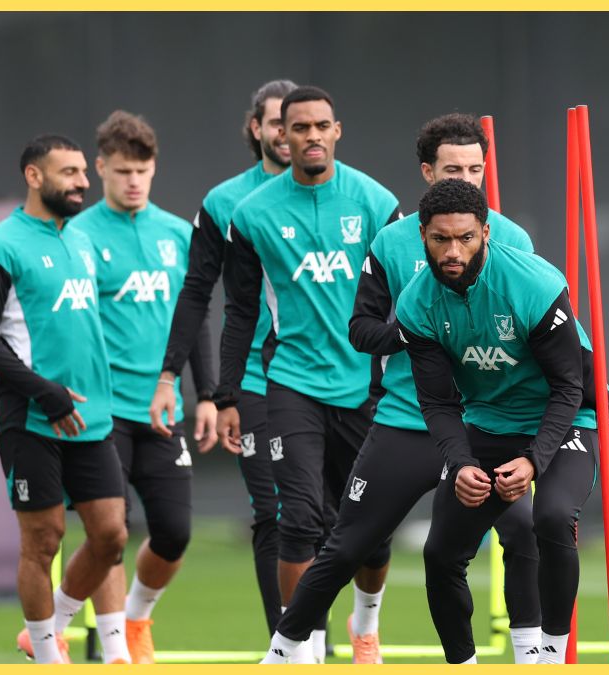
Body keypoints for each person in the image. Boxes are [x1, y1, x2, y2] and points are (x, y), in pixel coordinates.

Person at [261, 115, 543, 664]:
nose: (466, 177)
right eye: (453, 168)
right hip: (407, 419)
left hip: (489, 422)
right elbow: (362, 329)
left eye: (476, 168)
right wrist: (412, 332)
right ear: (426, 172)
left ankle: (532, 654)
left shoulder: (511, 239)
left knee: (522, 531)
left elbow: (537, 331)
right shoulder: (393, 239)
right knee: (347, 543)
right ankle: (282, 651)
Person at [214, 85, 401, 664]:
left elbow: (405, 298)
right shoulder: (253, 214)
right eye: (299, 128)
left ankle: (364, 626)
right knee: (296, 519)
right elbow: (240, 310)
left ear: (336, 131)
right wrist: (224, 396)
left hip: (362, 388)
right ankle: (303, 650)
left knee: (371, 532)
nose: (311, 136)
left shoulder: (376, 202)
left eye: (322, 126)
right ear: (279, 136)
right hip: (291, 383)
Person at [395, 179, 604, 665]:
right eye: (440, 239)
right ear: (422, 235)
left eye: (465, 238)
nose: (452, 251)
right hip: (488, 421)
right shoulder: (416, 303)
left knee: (550, 517)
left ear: (485, 233)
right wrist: (461, 461)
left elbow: (569, 387)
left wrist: (533, 461)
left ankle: (550, 656)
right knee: (440, 555)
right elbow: (438, 402)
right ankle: (463, 663)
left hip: (566, 415)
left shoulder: (534, 283)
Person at [0, 135, 128, 664]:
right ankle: (46, 653)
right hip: (29, 416)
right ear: (34, 177)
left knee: (110, 538)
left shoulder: (80, 240)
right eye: (69, 172)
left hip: (92, 415)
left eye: (84, 171)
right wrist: (46, 392)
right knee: (44, 539)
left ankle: (54, 623)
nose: (83, 181)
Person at [150, 78, 298, 644]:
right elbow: (195, 294)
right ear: (256, 128)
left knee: (335, 517)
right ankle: (287, 644)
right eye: (276, 122)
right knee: (275, 513)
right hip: (257, 381)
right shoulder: (224, 202)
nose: (288, 133)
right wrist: (192, 384)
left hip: (334, 379)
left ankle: (354, 632)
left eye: (300, 122)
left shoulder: (351, 198)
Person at [66, 110, 216, 664]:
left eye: (144, 171)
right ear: (101, 167)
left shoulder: (179, 235)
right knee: (110, 531)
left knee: (175, 532)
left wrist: (206, 395)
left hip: (163, 409)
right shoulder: (77, 236)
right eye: (123, 170)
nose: (134, 181)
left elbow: (194, 320)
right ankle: (112, 650)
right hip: (99, 412)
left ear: (155, 170)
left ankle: (134, 620)